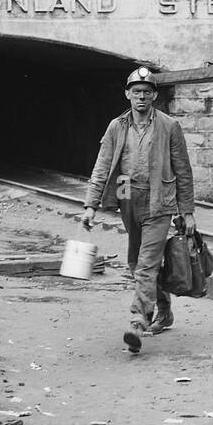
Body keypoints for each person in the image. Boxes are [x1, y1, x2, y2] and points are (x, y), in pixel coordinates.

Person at [81, 67, 196, 355]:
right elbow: (102, 165)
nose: (141, 97)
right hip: (128, 197)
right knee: (135, 262)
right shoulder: (116, 126)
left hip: (160, 201)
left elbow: (183, 170)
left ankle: (138, 319)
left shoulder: (169, 125)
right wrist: (90, 205)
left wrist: (188, 210)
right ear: (127, 95)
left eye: (146, 92)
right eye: (136, 92)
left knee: (146, 264)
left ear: (155, 95)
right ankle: (165, 310)